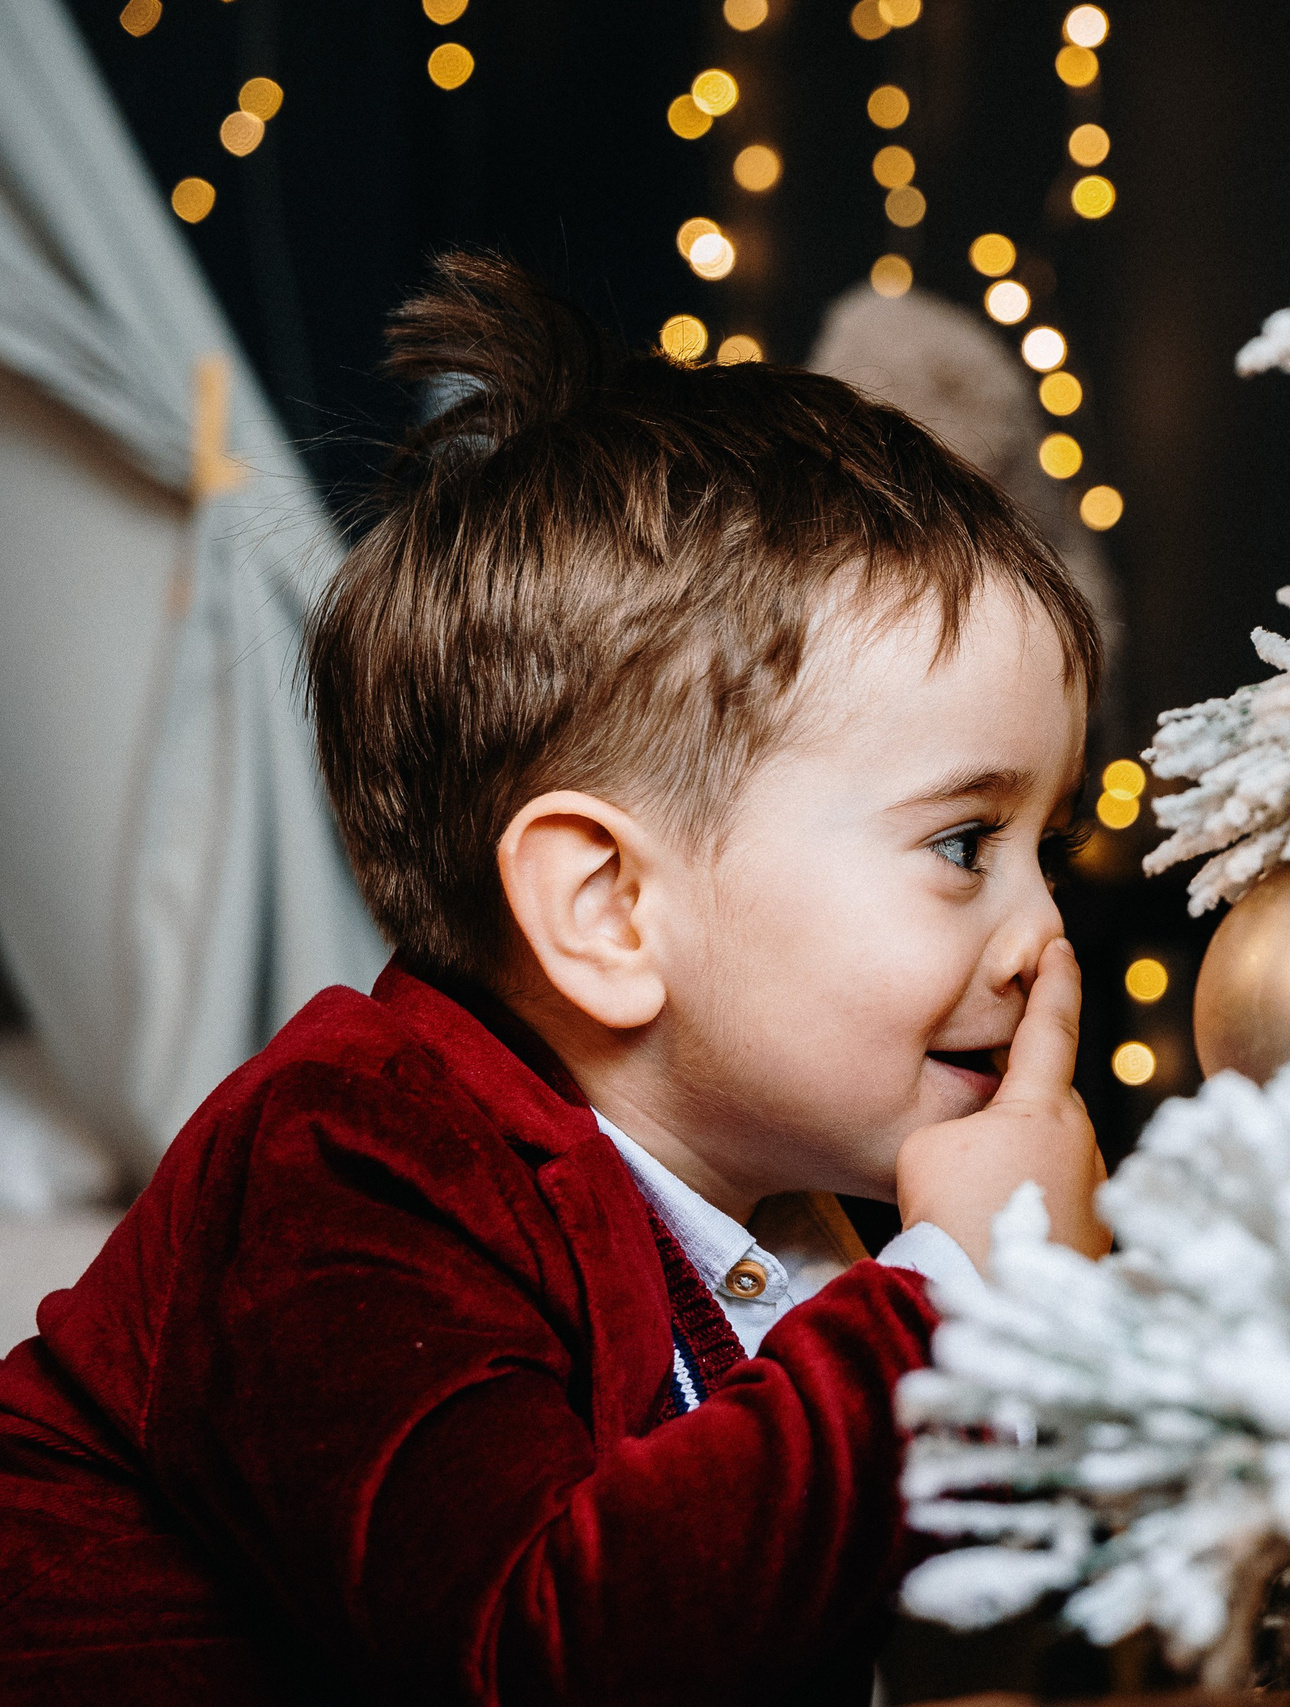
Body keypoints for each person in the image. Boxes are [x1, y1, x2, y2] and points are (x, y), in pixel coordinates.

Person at [0, 253, 1111, 1703]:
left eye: (1048, 849)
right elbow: (542, 1654)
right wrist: (960, 1301)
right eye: (965, 843)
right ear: (608, 907)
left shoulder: (785, 1210)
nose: (1046, 939)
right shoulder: (344, 1158)